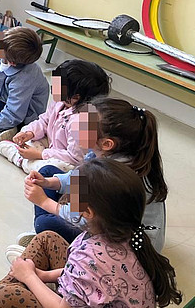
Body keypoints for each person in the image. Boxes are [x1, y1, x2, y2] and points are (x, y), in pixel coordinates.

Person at [0, 158, 182, 308]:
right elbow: (90, 273)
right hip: (93, 288)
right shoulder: (127, 233)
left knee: (7, 296)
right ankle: (5, 288)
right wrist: (43, 275)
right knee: (47, 239)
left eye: (75, 191)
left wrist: (29, 276)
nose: (69, 194)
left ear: (88, 211)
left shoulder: (89, 257)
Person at [21, 98, 168, 251]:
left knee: (45, 223)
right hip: (105, 218)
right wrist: (49, 182)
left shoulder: (111, 175)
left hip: (124, 249)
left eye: (83, 127)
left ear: (107, 143)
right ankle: (47, 234)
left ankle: (49, 242)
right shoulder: (105, 154)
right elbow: (78, 176)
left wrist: (44, 202)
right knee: (48, 172)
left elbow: (85, 218)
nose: (75, 127)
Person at [0, 59, 110, 173]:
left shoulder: (82, 122)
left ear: (76, 97)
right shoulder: (60, 103)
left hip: (69, 161)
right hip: (52, 144)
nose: (53, 88)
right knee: (33, 139)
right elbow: (44, 121)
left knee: (55, 168)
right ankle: (22, 154)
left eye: (57, 86)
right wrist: (29, 133)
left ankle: (20, 159)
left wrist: (41, 155)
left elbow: (75, 158)